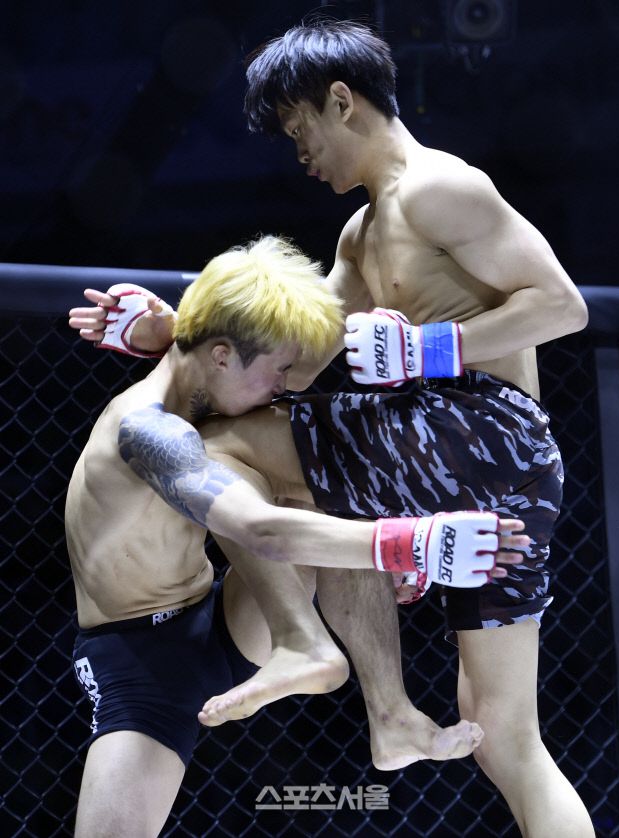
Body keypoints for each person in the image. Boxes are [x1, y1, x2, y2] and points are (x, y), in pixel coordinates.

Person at [79, 17, 594, 836]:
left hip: (483, 430)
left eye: (299, 130)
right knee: (504, 737)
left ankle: (310, 647)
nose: (300, 155)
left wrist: (428, 347)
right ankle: (389, 715)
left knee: (216, 446)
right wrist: (175, 330)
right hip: (501, 479)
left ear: (342, 101)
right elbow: (287, 354)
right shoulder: (359, 235)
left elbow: (563, 308)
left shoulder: (440, 186)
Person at [66, 235, 526, 837]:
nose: (284, 385)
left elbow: (208, 343)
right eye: (279, 369)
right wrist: (414, 543)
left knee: (329, 479)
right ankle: (303, 643)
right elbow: (259, 529)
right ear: (223, 357)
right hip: (140, 661)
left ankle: (388, 713)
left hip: (219, 619)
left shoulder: (207, 390)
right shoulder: (146, 430)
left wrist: (168, 328)